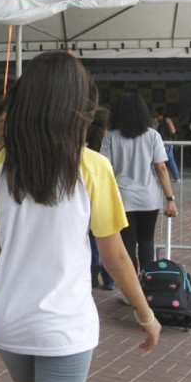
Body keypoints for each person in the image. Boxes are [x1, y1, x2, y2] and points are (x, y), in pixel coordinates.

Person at [0, 53, 160, 382]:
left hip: (9, 320)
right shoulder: (91, 166)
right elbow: (116, 257)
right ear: (77, 106)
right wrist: (146, 314)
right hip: (63, 327)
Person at [101, 94, 179, 284]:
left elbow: (105, 168)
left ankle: (132, 287)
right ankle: (149, 283)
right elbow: (161, 168)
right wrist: (170, 198)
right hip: (149, 199)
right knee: (147, 240)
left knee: (127, 244)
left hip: (122, 199)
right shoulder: (153, 135)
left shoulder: (110, 137)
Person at [85, 109, 113, 291]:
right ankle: (109, 279)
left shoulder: (85, 145)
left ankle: (93, 273)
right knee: (110, 240)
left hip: (87, 197)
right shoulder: (109, 143)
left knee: (92, 239)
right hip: (105, 196)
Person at [152, 108, 181, 182]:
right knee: (170, 160)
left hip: (162, 142)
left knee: (158, 160)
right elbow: (173, 131)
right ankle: (177, 177)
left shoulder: (164, 120)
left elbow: (172, 131)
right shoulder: (164, 120)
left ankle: (157, 177)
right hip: (166, 142)